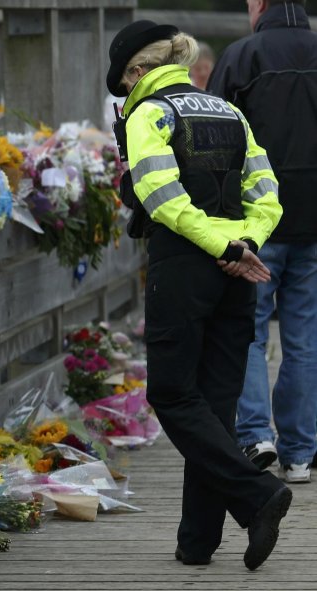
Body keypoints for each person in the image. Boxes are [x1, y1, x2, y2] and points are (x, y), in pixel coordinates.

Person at [107, 20, 290, 570]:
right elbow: (268, 193)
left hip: (186, 265)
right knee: (214, 404)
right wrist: (244, 244)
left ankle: (257, 495)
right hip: (237, 273)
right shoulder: (227, 111)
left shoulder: (150, 113)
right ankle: (197, 541)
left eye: (124, 82)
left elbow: (161, 197)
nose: (126, 94)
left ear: (138, 70)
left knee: (171, 394)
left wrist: (222, 245)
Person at [208, 0, 317, 485]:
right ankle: (300, 452)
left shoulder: (240, 57)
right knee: (304, 339)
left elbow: (210, 139)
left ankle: (256, 435)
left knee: (248, 331)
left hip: (256, 223)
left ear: (261, 4)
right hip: (315, 224)